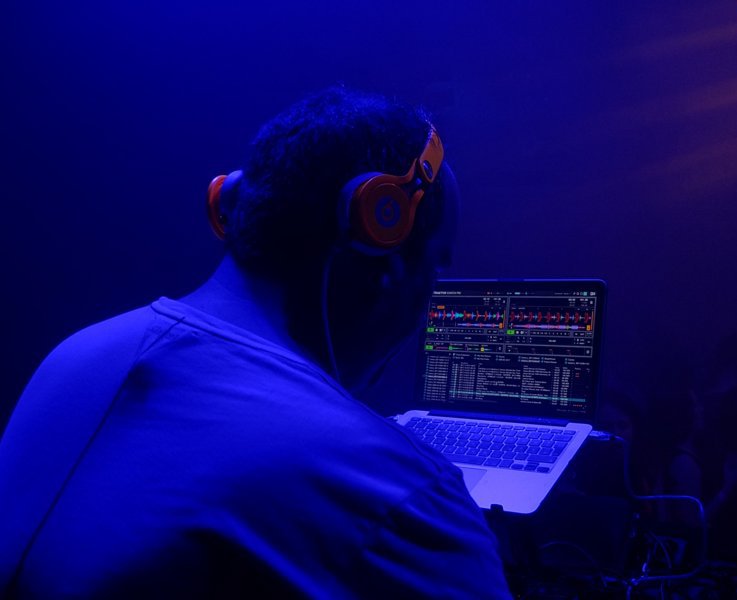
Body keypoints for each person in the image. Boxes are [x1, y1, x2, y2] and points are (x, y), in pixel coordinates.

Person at [0, 87, 510, 598]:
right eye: (436, 267)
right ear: (385, 244)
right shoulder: (402, 495)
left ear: (233, 201)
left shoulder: (75, 356)